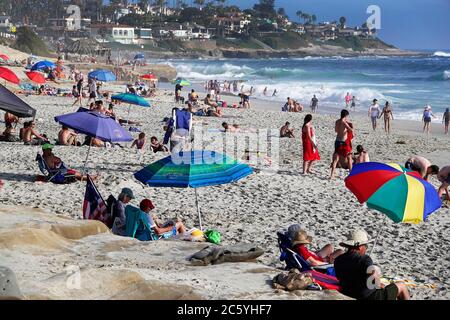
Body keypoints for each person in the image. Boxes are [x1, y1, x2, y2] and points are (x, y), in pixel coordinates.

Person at [334, 229, 410, 300]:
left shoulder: (338, 260)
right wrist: (379, 285)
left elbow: (339, 278)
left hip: (347, 294)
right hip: (368, 297)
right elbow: (373, 276)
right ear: (360, 247)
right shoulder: (364, 259)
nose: (366, 248)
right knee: (401, 285)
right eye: (365, 246)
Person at [330, 110, 354, 179]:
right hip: (343, 142)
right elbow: (351, 130)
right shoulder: (344, 122)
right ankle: (351, 174)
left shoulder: (337, 121)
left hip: (337, 140)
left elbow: (336, 131)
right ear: (346, 115)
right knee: (349, 157)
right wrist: (349, 127)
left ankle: (332, 175)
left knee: (335, 159)